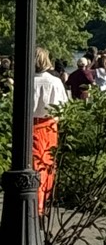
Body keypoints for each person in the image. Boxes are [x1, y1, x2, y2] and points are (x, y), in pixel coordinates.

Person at [32, 47, 67, 212]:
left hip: (32, 125)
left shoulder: (28, 80)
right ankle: (44, 201)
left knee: (33, 164)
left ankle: (35, 203)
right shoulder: (54, 81)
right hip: (50, 125)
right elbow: (63, 106)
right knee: (47, 164)